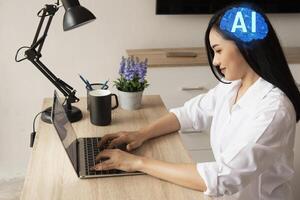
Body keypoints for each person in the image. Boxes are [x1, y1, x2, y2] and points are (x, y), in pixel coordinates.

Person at [91, 3, 300, 199]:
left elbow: (222, 178)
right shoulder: (234, 86)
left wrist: (138, 162)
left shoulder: (273, 109)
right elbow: (189, 113)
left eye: (218, 50)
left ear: (246, 46)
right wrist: (140, 134)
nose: (216, 61)